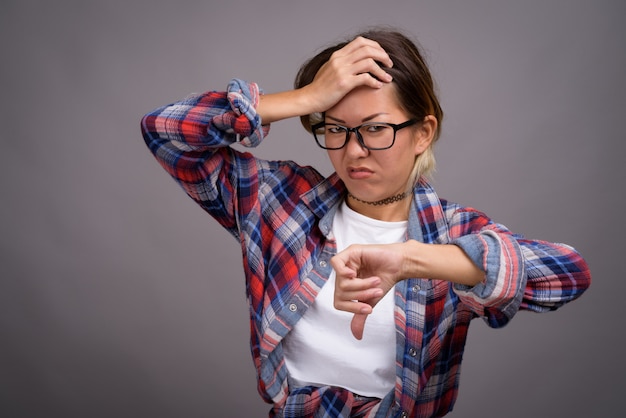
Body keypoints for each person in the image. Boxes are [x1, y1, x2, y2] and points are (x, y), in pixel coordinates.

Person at [140, 28, 591, 418]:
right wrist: (305, 99)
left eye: (376, 128)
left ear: (423, 132)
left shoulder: (451, 237)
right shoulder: (278, 202)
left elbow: (569, 274)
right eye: (334, 127)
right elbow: (164, 131)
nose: (353, 150)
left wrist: (412, 259)